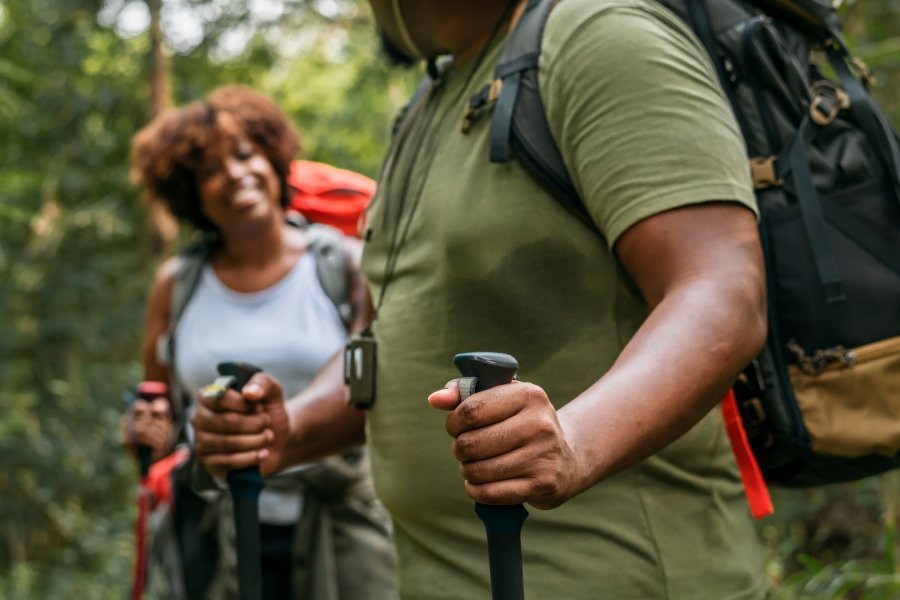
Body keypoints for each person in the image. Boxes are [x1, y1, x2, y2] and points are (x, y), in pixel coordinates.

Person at [191, 1, 769, 598]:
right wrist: (283, 431)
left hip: (622, 577)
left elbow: (721, 289)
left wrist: (572, 442)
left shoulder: (597, 34)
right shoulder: (431, 100)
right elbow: (393, 348)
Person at [122, 84, 397, 599]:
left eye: (246, 155)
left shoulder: (345, 265)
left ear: (273, 162)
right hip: (215, 525)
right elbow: (157, 400)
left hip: (340, 519)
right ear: (191, 193)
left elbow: (379, 383)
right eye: (209, 170)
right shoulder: (177, 284)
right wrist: (145, 431)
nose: (235, 175)